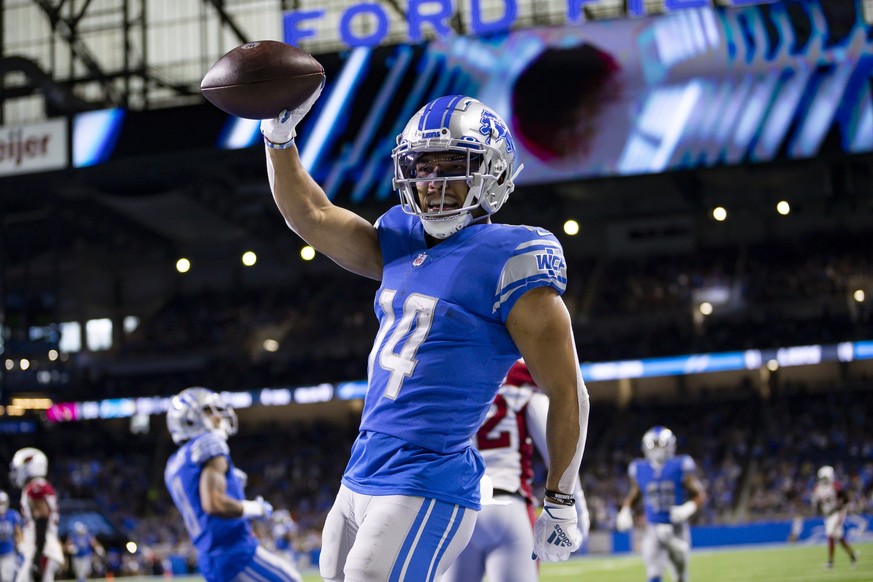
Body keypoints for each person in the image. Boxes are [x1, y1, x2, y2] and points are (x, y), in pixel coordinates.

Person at [261, 91, 590, 581]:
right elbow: (309, 214)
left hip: (429, 473)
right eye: (423, 166)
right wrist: (278, 138)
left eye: (452, 165)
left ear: (493, 172)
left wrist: (560, 499)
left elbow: (568, 393)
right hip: (364, 463)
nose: (434, 182)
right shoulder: (399, 240)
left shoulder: (512, 259)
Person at [443, 360, 590, 582]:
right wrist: (576, 505)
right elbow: (559, 454)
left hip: (460, 508)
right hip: (510, 505)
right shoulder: (522, 382)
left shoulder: (456, 378)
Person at [164, 386, 303, 582]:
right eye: (208, 410)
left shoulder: (175, 464)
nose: (218, 416)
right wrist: (254, 508)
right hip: (235, 552)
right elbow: (213, 503)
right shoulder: (208, 443)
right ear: (189, 419)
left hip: (210, 556)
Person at [615, 426, 706, 582]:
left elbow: (699, 495)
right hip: (653, 529)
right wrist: (626, 510)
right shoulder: (640, 468)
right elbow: (634, 495)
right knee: (654, 573)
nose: (657, 449)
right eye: (654, 444)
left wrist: (687, 508)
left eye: (660, 444)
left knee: (680, 575)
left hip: (677, 528)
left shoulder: (680, 465)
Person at [8, 447, 65, 582]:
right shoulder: (40, 486)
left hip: (42, 549)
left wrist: (37, 556)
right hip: (42, 547)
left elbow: (42, 518)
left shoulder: (35, 488)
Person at [812, 465, 858, 569]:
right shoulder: (818, 489)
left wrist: (842, 509)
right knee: (839, 538)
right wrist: (818, 505)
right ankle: (853, 555)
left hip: (837, 513)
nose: (824, 480)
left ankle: (830, 562)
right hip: (828, 515)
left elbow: (846, 499)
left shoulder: (835, 486)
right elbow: (818, 504)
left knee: (830, 534)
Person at [0, 490, 23, 582]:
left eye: (2, 502)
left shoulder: (12, 515)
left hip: (8, 553)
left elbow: (19, 534)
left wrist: (20, 546)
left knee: (7, 579)